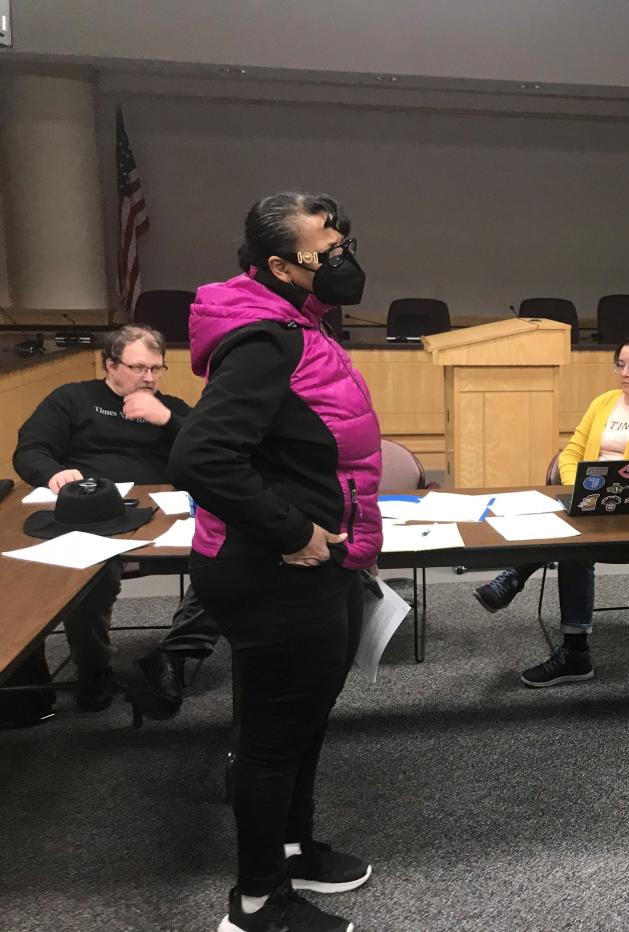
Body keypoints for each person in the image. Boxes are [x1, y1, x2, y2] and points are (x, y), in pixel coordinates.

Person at [168, 191, 381, 932]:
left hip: (312, 565)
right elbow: (200, 453)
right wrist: (293, 531)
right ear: (282, 266)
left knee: (305, 722)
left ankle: (291, 846)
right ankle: (258, 901)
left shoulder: (297, 322)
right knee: (269, 739)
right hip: (274, 570)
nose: (344, 255)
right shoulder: (266, 339)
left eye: (344, 238)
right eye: (329, 246)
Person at [473, 334, 629, 687]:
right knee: (567, 527)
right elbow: (572, 452)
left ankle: (527, 593)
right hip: (591, 500)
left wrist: (606, 490)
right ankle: (572, 649)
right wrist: (581, 487)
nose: (625, 373)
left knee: (575, 544)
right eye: (620, 365)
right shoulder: (604, 402)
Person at [11, 323, 197, 714]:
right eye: (138, 367)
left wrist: (167, 420)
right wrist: (52, 474)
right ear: (110, 365)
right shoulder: (72, 399)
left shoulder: (170, 406)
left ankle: (173, 655)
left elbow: (211, 449)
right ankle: (94, 668)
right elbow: (31, 450)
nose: (149, 377)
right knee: (90, 579)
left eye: (156, 369)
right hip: (91, 509)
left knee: (222, 560)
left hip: (160, 509)